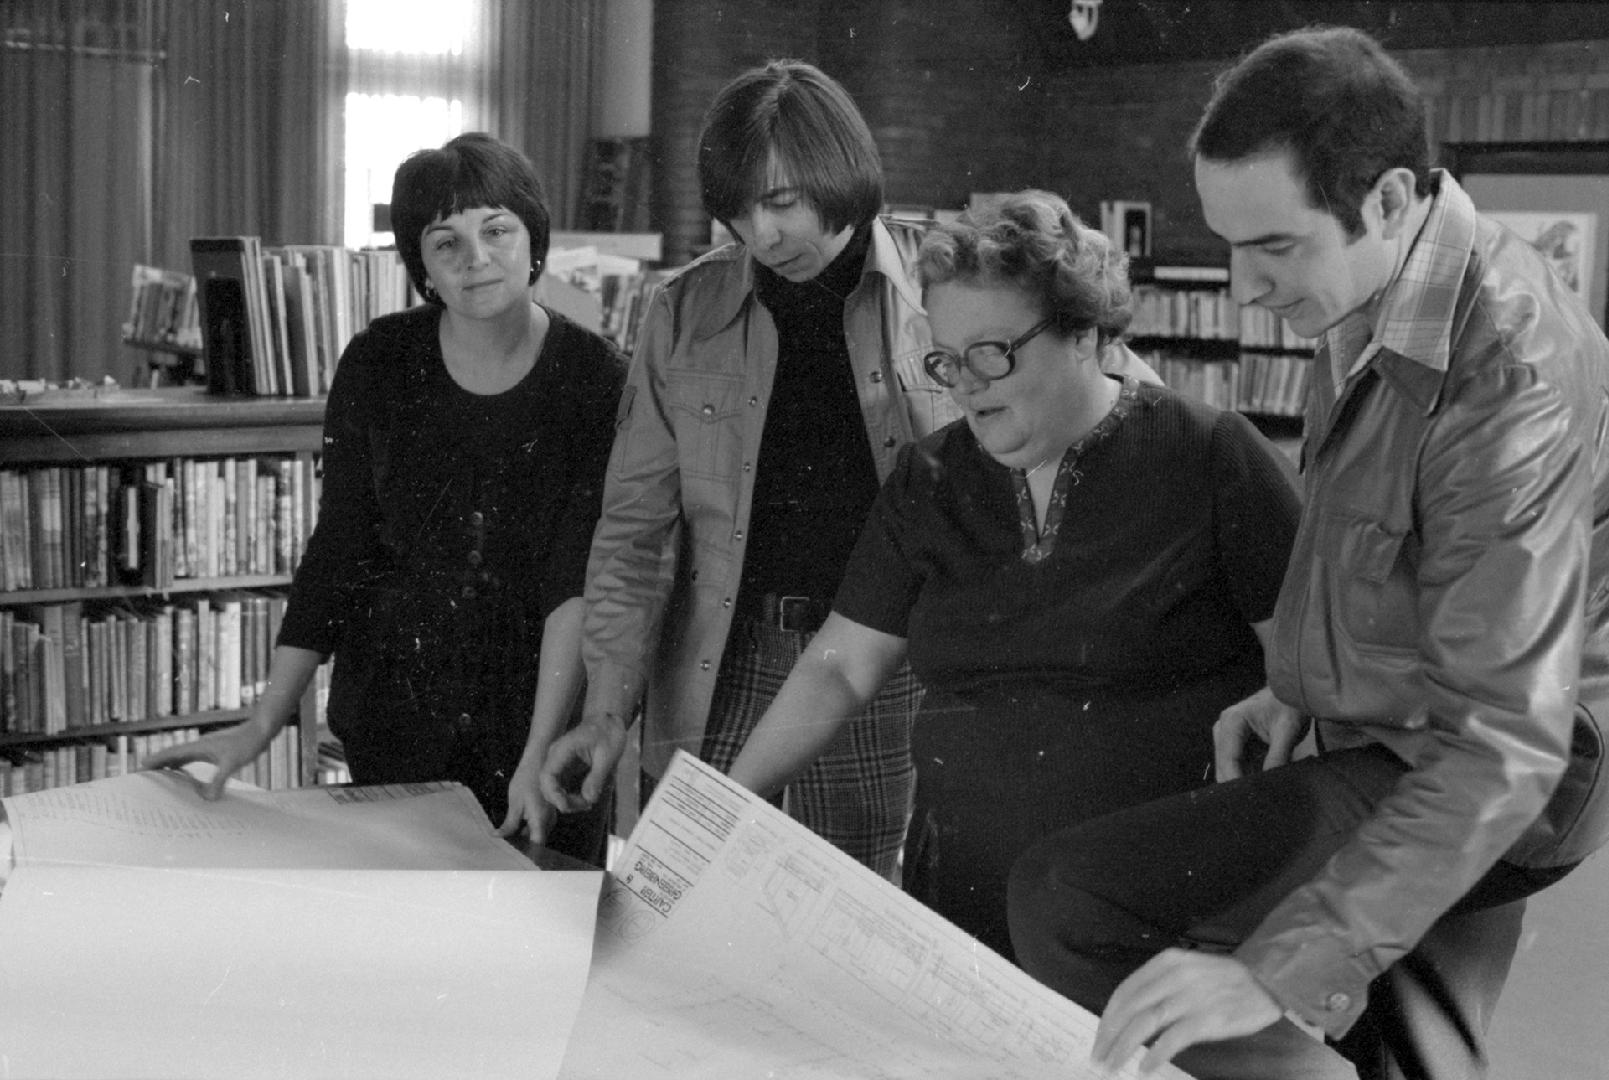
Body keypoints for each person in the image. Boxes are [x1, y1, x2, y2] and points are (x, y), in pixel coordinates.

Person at [1007, 26, 1609, 1080]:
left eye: (1274, 247)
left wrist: (1274, 973)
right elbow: (1358, 529)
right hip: (1420, 728)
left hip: (1497, 762)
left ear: (1384, 201)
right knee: (1412, 1045)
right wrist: (1296, 686)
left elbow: (1502, 742)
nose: (1244, 288)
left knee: (1072, 896)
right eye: (1228, 245)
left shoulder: (1505, 376)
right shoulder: (1388, 291)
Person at [724, 189, 1302, 959]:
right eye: (946, 358)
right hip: (962, 905)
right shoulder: (926, 479)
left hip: (1164, 917)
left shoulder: (1210, 455)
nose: (963, 384)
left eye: (992, 352)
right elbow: (838, 665)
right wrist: (733, 799)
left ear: (1084, 334)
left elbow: (1307, 675)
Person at [146, 132, 626, 866]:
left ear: (534, 239)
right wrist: (264, 722)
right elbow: (339, 548)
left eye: (496, 230)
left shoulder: (594, 376)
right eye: (446, 242)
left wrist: (536, 754)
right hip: (394, 722)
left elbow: (575, 582)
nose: (476, 259)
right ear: (421, 267)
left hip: (539, 721)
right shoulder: (378, 362)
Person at [537, 60, 956, 880]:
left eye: (780, 203)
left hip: (890, 670)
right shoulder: (684, 311)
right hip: (717, 663)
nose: (758, 236)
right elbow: (633, 531)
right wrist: (605, 709)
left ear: (836, 171)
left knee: (858, 926)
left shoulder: (948, 283)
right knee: (681, 909)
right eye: (736, 212)